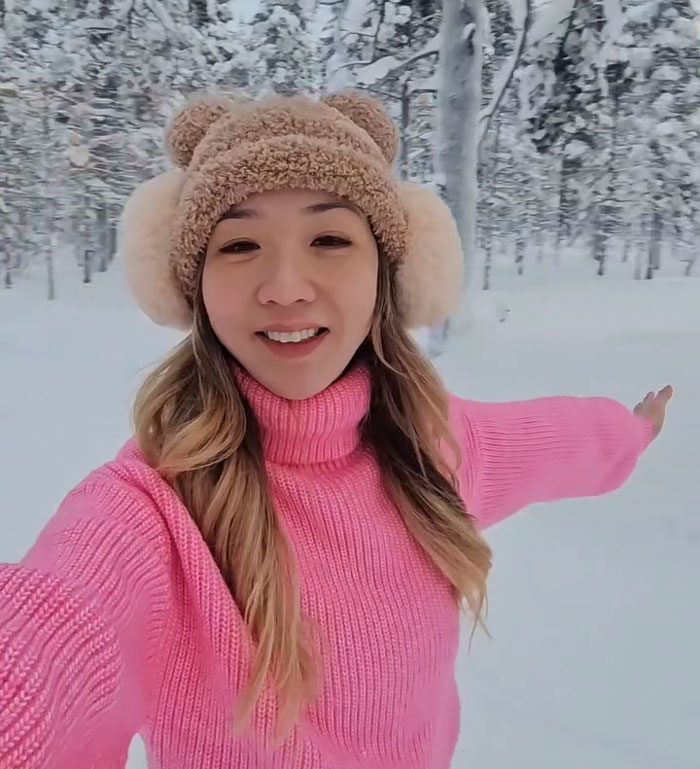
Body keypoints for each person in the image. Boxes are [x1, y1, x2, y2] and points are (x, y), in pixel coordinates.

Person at [0, 91, 672, 769]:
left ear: (386, 272)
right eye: (238, 244)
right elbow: (48, 632)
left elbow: (552, 440)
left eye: (329, 239)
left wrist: (630, 431)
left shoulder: (428, 445)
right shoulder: (149, 509)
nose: (286, 286)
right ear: (192, 286)